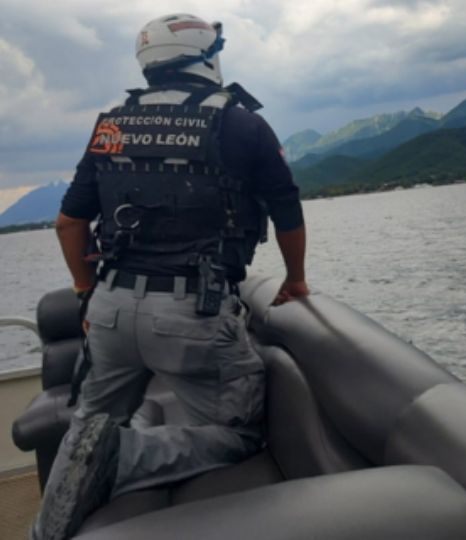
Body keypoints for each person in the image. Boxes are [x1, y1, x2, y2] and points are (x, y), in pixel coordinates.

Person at [32, 13, 309, 539]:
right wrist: (295, 279)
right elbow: (286, 210)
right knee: (241, 432)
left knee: (89, 424)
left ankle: (45, 532)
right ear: (208, 56)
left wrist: (86, 294)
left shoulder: (112, 122)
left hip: (111, 309)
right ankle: (127, 458)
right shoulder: (242, 122)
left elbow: (69, 223)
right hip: (191, 315)